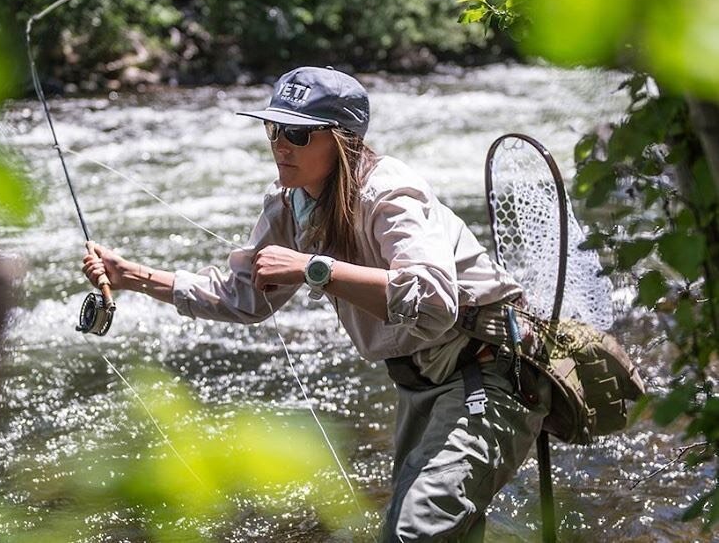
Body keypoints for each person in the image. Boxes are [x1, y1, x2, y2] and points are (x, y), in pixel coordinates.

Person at [82, 66, 550, 542]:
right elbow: (245, 297)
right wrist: (134, 277)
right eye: (272, 128)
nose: (279, 144)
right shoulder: (289, 203)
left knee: (414, 532)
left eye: (298, 133)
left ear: (342, 140)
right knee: (436, 530)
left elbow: (433, 300)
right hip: (421, 381)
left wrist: (313, 268)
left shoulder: (390, 193)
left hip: (489, 370)